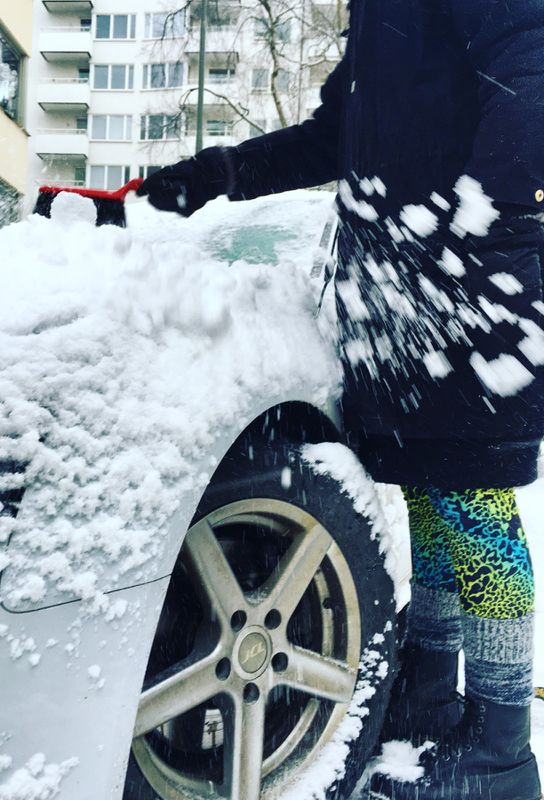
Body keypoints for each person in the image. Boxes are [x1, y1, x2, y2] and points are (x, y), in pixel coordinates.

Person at [137, 1, 544, 799]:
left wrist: (481, 218)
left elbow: (532, 79)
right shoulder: (381, 16)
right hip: (406, 289)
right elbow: (335, 136)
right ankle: (430, 698)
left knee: (478, 507)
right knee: (435, 494)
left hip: (471, 279)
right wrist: (222, 172)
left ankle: (502, 745)